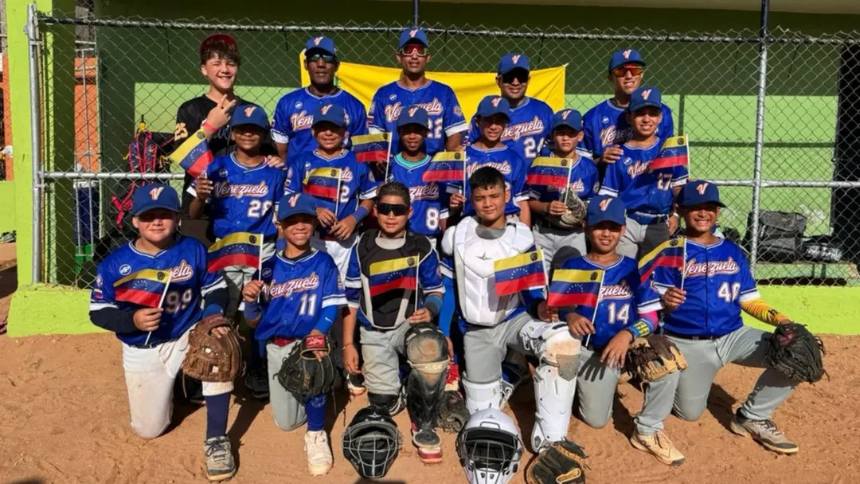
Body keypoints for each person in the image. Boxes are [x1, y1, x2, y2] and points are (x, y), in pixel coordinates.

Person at [632, 180, 800, 466]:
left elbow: (750, 301)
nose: (703, 213)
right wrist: (663, 301)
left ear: (717, 212)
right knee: (689, 413)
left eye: (709, 207)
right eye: (695, 207)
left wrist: (783, 321)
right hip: (688, 342)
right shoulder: (667, 252)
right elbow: (640, 299)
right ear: (681, 210)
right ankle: (658, 378)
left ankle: (753, 416)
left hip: (734, 336)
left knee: (797, 351)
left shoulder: (732, 252)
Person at [88, 184, 237, 481]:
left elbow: (216, 288)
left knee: (217, 344)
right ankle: (176, 389)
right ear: (135, 221)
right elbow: (98, 311)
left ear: (177, 218)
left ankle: (217, 439)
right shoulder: (115, 263)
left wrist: (212, 315)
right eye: (148, 216)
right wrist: (131, 320)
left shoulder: (193, 249)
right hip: (142, 347)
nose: (156, 222)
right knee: (149, 430)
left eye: (165, 215)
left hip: (185, 332)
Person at [441, 166, 581, 453]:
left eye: (494, 196)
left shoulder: (522, 237)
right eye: (480, 198)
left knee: (563, 342)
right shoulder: (457, 235)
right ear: (472, 200)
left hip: (514, 320)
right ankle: (510, 371)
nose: (488, 203)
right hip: (477, 331)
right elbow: (449, 288)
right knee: (482, 424)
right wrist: (444, 330)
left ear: (506, 196)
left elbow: (530, 286)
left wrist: (540, 306)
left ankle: (552, 440)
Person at [342, 181, 448, 464]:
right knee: (383, 405)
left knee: (430, 348)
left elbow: (436, 291)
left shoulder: (421, 246)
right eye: (385, 209)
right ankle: (401, 388)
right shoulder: (362, 246)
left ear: (409, 212)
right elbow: (351, 300)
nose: (391, 216)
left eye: (398, 210)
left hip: (408, 326)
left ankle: (424, 423)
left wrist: (430, 310)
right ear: (375, 211)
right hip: (373, 331)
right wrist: (348, 344)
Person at [187, 104, 287, 400]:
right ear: (232, 133)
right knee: (222, 309)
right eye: (242, 129)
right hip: (225, 248)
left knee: (259, 310)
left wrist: (280, 254)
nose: (248, 134)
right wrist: (200, 197)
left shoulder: (275, 171)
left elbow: (281, 221)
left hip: (261, 248)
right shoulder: (215, 166)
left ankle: (257, 369)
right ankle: (211, 368)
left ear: (263, 134)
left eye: (254, 130)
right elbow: (193, 213)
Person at [241, 193, 345, 476]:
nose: (299, 226)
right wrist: (249, 301)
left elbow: (331, 308)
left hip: (309, 340)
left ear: (314, 223)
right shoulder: (266, 267)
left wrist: (317, 334)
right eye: (291, 221)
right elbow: (253, 321)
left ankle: (316, 432)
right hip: (277, 347)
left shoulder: (323, 262)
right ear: (280, 225)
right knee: (286, 423)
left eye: (305, 220)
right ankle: (314, 397)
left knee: (313, 364)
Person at [548, 195, 657, 430]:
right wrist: (570, 315)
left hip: (617, 350)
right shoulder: (572, 266)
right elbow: (556, 308)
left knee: (596, 420)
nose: (606, 234)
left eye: (613, 228)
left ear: (623, 230)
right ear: (586, 227)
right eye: (599, 226)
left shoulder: (634, 268)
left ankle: (619, 373)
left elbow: (651, 318)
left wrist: (627, 334)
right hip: (582, 350)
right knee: (580, 410)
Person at [173, 34, 278, 245]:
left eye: (230, 63)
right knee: (199, 261)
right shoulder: (190, 109)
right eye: (216, 63)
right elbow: (181, 155)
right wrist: (210, 127)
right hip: (200, 205)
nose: (225, 69)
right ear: (204, 69)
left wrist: (274, 160)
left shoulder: (251, 110)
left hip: (242, 204)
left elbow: (269, 155)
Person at [286, 103, 377, 277]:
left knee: (345, 288)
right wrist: (314, 209)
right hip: (312, 239)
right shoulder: (301, 161)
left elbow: (369, 197)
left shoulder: (357, 161)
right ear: (313, 131)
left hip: (346, 240)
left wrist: (354, 219)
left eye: (334, 128)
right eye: (322, 128)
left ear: (344, 132)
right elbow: (290, 198)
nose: (328, 133)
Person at [598, 86, 687, 259]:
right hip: (627, 221)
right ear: (629, 117)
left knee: (655, 272)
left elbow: (679, 187)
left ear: (660, 117)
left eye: (652, 114)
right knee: (625, 269)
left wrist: (676, 214)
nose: (646, 119)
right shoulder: (619, 153)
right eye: (640, 114)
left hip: (659, 222)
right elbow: (609, 195)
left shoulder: (670, 151)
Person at [368, 28, 467, 157]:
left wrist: (446, 162)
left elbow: (455, 136)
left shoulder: (444, 93)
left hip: (433, 164)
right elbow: (374, 138)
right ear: (399, 57)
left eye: (420, 51)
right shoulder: (384, 94)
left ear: (428, 57)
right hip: (394, 164)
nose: (414, 56)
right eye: (408, 50)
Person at [271, 36, 368, 164]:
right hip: (299, 174)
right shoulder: (287, 103)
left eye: (327, 58)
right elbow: (280, 152)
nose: (321, 64)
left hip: (340, 174)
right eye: (314, 58)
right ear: (305, 64)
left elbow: (362, 154)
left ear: (336, 65)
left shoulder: (354, 106)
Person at [582, 48, 674, 177]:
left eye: (635, 70)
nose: (629, 76)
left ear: (642, 74)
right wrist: (600, 160)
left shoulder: (662, 112)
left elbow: (670, 156)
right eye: (621, 71)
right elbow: (578, 166)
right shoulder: (593, 117)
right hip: (607, 184)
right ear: (610, 77)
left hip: (650, 183)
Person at [527, 108, 599, 271]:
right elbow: (530, 201)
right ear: (553, 135)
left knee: (571, 280)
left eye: (571, 133)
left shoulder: (589, 168)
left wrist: (582, 213)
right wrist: (546, 207)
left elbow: (592, 203)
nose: (565, 138)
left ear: (580, 136)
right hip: (544, 231)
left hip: (574, 234)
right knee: (540, 280)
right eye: (560, 133)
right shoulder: (542, 164)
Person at [451, 96, 529, 225]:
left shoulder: (515, 158)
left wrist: (525, 232)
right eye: (488, 120)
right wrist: (454, 203)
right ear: (478, 121)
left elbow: (521, 201)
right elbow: (452, 200)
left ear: (505, 124)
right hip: (472, 220)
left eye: (499, 121)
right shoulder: (462, 156)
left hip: (508, 220)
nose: (493, 126)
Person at [469, 53, 553, 164]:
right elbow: (470, 150)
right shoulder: (486, 112)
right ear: (498, 81)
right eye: (509, 77)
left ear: (528, 80)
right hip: (497, 172)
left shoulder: (543, 110)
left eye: (521, 77)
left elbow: (554, 147)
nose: (515, 82)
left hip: (532, 173)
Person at [386, 106, 449, 240]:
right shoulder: (388, 166)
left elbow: (443, 212)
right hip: (396, 239)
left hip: (429, 239)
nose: (412, 136)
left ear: (426, 133)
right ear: (399, 132)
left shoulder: (437, 167)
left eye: (417, 131)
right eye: (407, 131)